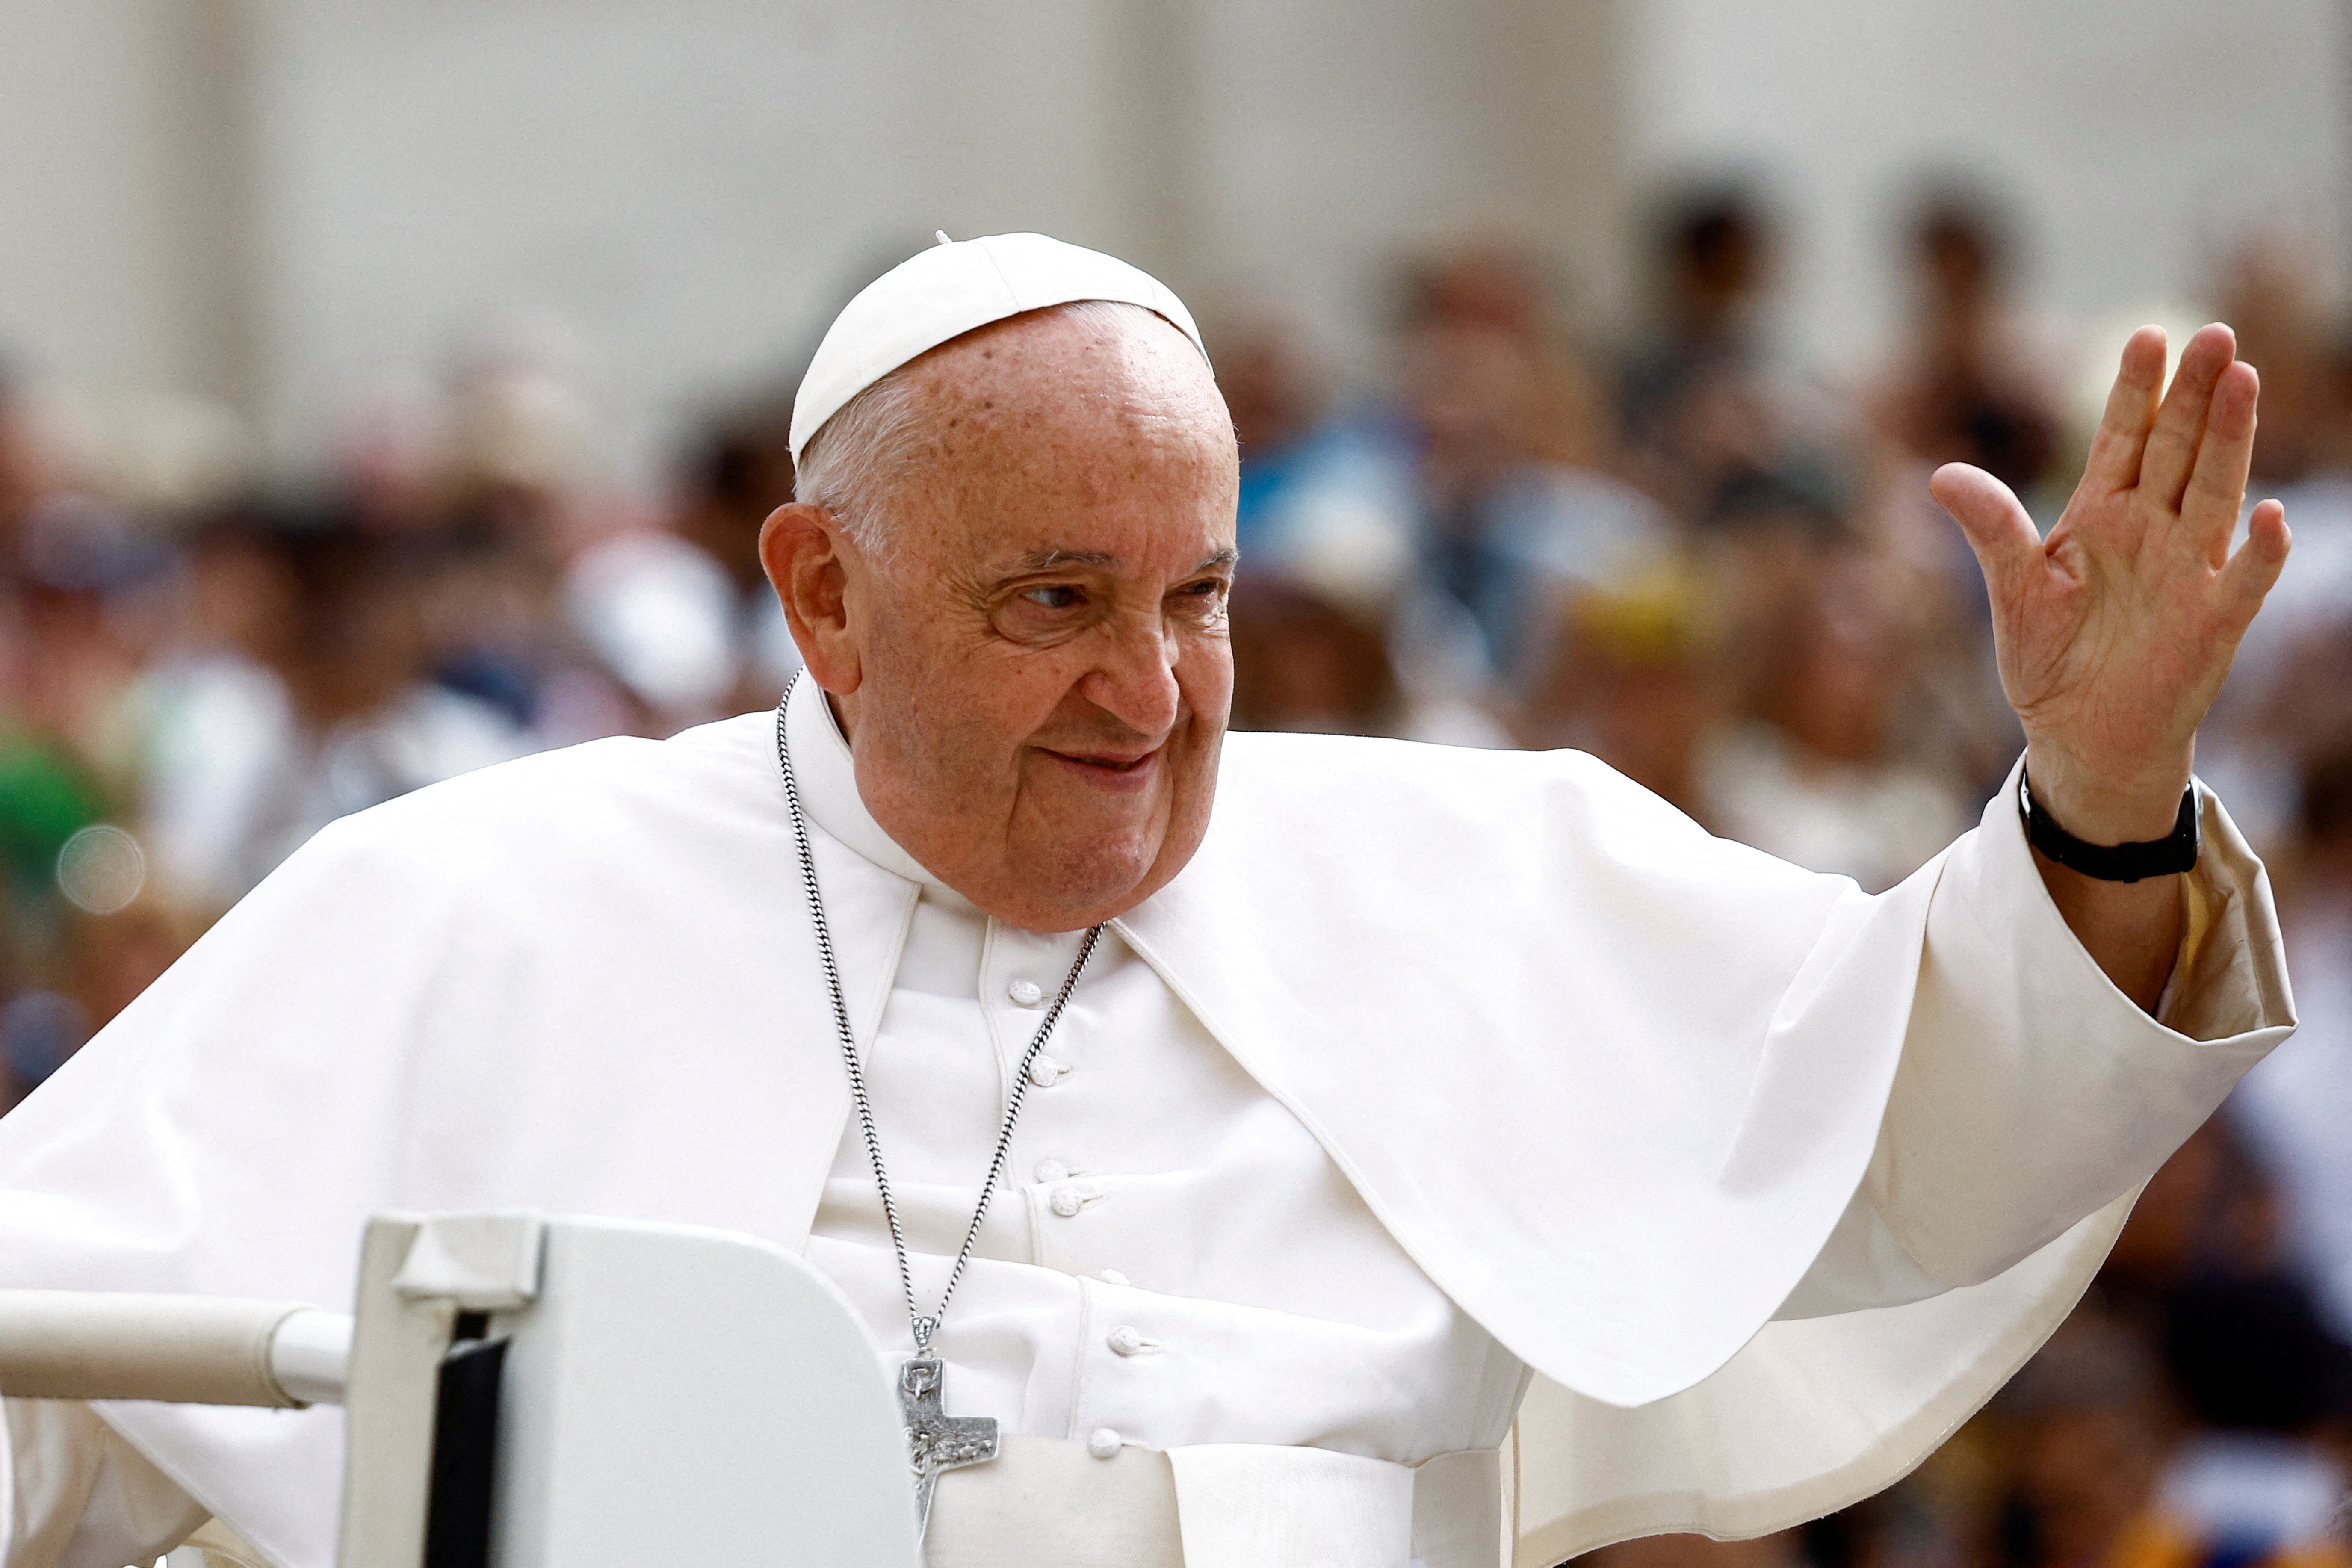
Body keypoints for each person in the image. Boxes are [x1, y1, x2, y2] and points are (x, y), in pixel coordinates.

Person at [0, 233, 2299, 1568]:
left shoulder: (1469, 873)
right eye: (1058, 596)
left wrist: (2099, 790)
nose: (1146, 689)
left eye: (1195, 593)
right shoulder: (470, 906)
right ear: (821, 591)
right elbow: (53, 1352)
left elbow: (1935, 1124)